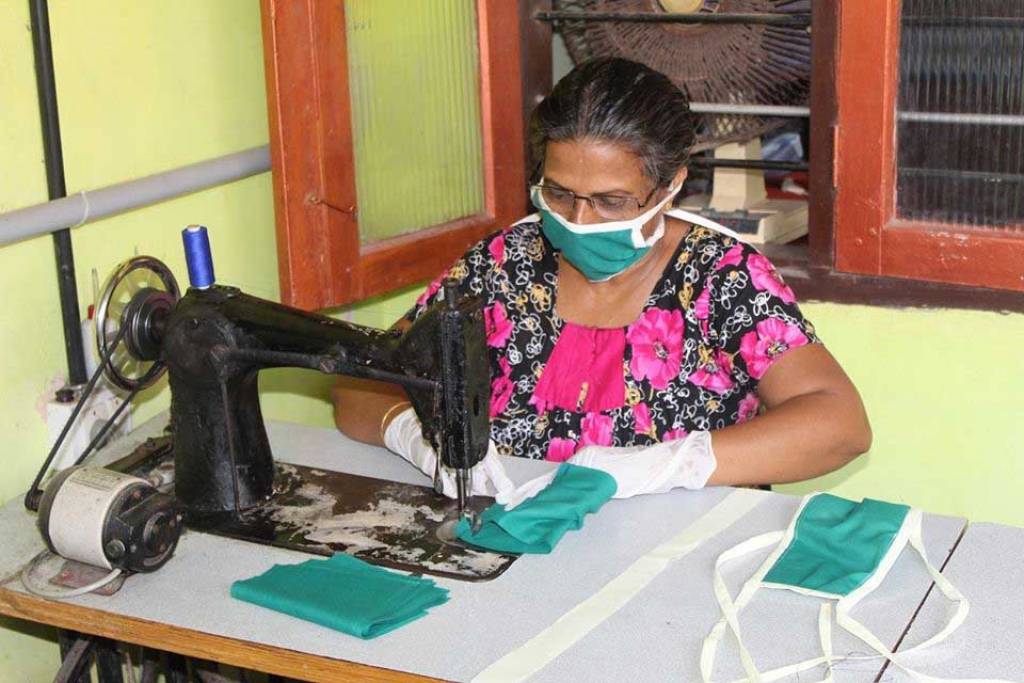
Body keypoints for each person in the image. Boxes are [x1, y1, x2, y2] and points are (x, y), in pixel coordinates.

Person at [333, 57, 870, 499]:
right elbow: (360, 385)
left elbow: (839, 425)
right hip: (516, 541)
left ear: (671, 185)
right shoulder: (504, 263)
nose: (579, 221)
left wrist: (666, 466)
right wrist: (419, 437)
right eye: (560, 193)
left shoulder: (720, 277)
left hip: (666, 559)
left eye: (612, 202)